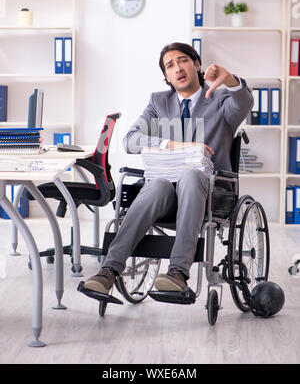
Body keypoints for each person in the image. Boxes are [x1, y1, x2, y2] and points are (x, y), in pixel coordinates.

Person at [84, 42, 254, 294]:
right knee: (158, 185)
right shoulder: (158, 103)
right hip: (165, 195)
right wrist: (169, 144)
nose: (177, 68)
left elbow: (244, 103)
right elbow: (130, 140)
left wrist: (230, 81)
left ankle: (177, 272)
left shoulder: (220, 100)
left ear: (197, 65)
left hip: (209, 194)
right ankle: (109, 270)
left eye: (183, 60)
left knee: (190, 175)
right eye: (170, 65)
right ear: (166, 76)